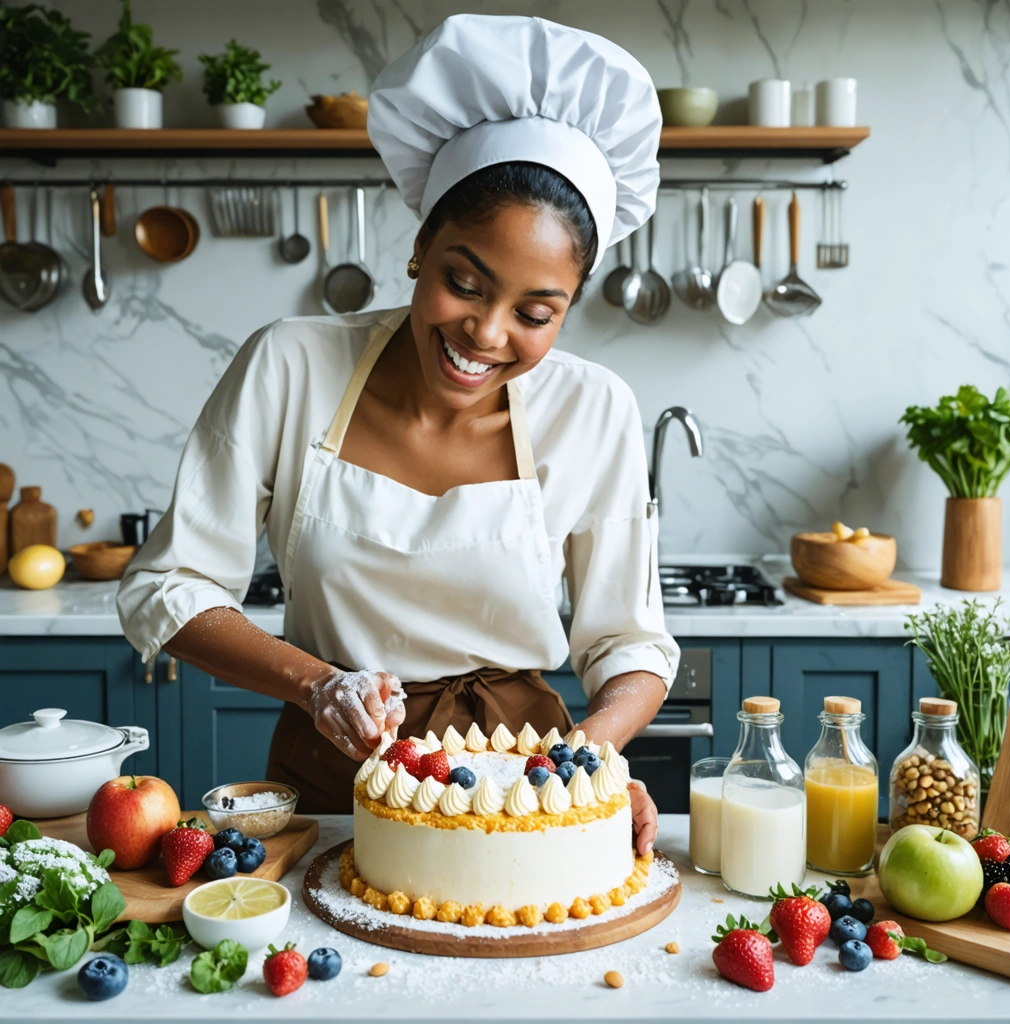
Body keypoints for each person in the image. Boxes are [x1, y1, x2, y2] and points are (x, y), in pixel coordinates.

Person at [117, 14, 679, 854]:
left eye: (535, 313)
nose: (487, 334)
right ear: (419, 247)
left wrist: (585, 763)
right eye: (465, 282)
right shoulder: (290, 365)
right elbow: (170, 586)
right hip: (335, 781)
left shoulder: (595, 407)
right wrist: (319, 685)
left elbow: (627, 639)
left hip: (524, 788)